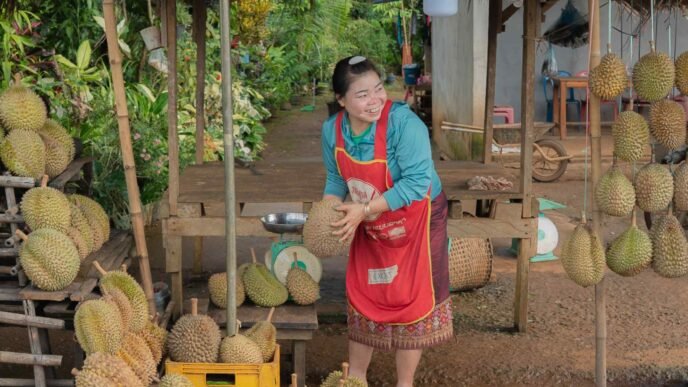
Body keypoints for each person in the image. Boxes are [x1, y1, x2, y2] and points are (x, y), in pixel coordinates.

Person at [320, 56, 452, 387]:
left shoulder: (404, 125)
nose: (375, 100)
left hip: (418, 217)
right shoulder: (332, 131)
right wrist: (327, 211)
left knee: (411, 296)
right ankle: (356, 377)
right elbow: (337, 178)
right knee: (367, 292)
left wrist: (363, 210)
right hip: (370, 218)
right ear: (341, 100)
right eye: (362, 94)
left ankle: (404, 384)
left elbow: (418, 182)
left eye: (379, 89)